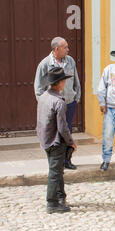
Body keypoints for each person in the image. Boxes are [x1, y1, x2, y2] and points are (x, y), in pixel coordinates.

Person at [34, 37, 81, 170]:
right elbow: (38, 88)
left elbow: (75, 79)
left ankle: (67, 160)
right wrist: (44, 104)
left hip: (69, 102)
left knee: (67, 131)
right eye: (65, 47)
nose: (68, 49)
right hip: (53, 105)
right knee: (54, 132)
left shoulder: (70, 60)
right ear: (57, 49)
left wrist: (77, 96)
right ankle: (55, 161)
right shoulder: (45, 64)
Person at [36, 67, 77, 214]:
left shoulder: (43, 97)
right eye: (64, 80)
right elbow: (63, 127)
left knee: (57, 170)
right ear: (60, 83)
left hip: (45, 139)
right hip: (55, 141)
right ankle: (52, 203)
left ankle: (60, 197)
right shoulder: (58, 102)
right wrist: (71, 142)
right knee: (55, 173)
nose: (65, 82)